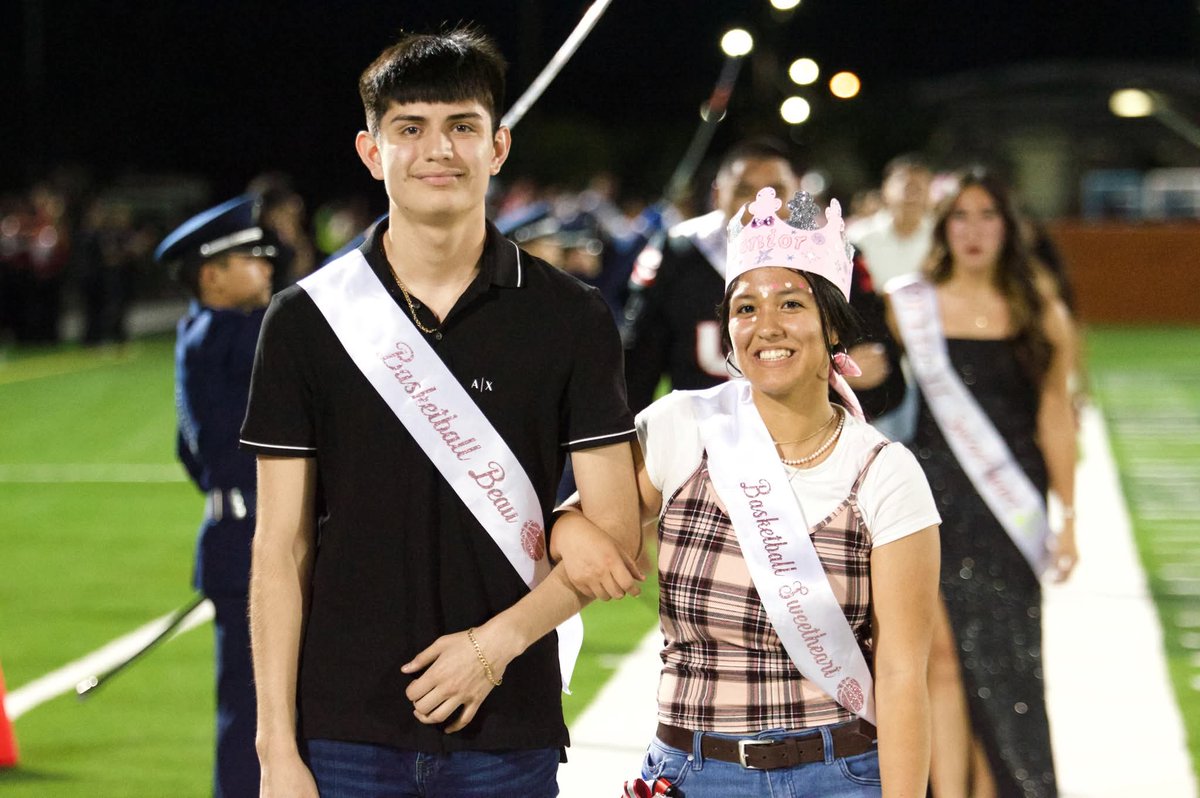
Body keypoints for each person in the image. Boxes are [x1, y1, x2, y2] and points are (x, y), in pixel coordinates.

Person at [240, 28, 641, 798]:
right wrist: (274, 752)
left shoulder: (572, 316)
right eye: (410, 129)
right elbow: (278, 549)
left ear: (498, 148)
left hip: (508, 725)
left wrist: (494, 648)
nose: (439, 150)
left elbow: (616, 535)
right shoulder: (304, 319)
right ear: (371, 151)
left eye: (462, 126)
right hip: (342, 733)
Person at [559, 188, 942, 796]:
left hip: (842, 774)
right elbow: (586, 531)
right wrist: (567, 523)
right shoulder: (682, 425)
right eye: (745, 308)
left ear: (832, 325)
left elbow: (900, 674)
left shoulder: (886, 472)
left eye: (791, 303)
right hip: (693, 771)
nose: (766, 326)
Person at [885, 170, 1078, 798]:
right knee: (937, 661)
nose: (973, 230)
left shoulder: (1039, 312)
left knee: (1009, 666)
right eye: (960, 217)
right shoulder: (906, 302)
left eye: (987, 215)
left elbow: (1055, 416)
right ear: (944, 230)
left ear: (1008, 227)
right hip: (929, 501)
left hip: (1009, 504)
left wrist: (1069, 516)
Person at [155, 193, 280, 798]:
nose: (267, 266)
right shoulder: (228, 335)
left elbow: (189, 454)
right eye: (250, 257)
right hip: (251, 544)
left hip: (236, 537)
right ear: (213, 275)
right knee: (254, 714)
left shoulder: (203, 335)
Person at [621, 139, 802, 414]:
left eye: (775, 191)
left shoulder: (824, 255)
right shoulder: (678, 250)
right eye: (745, 191)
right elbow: (639, 363)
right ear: (718, 195)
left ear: (797, 192)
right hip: (699, 436)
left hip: (798, 436)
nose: (761, 205)